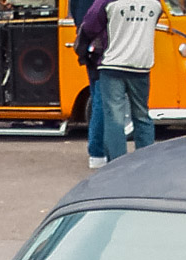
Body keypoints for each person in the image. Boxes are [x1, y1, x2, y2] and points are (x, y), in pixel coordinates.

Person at [77, 0, 162, 161]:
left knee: (114, 119)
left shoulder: (108, 2)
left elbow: (89, 25)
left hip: (112, 65)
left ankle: (117, 164)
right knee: (142, 115)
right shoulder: (155, 3)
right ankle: (146, 162)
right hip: (141, 65)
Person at [73, 0, 108, 167]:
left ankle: (97, 151)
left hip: (90, 50)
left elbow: (78, 16)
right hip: (104, 49)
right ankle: (98, 151)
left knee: (97, 100)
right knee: (102, 102)